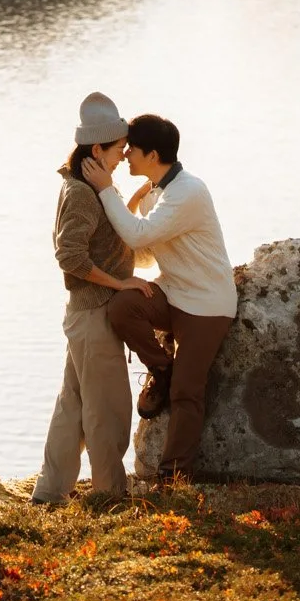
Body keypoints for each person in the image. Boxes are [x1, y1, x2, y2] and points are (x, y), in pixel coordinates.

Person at [81, 113, 237, 485]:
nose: (126, 155)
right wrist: (132, 206)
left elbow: (138, 238)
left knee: (187, 391)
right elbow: (148, 253)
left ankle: (173, 474)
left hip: (207, 305)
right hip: (174, 292)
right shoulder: (156, 192)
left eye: (132, 148)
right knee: (123, 307)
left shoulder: (187, 191)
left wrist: (106, 190)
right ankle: (162, 369)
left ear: (152, 154)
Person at [30, 92, 158, 505]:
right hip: (94, 316)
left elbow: (112, 241)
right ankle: (109, 495)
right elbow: (70, 257)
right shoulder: (84, 194)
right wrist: (120, 285)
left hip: (83, 315)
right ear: (97, 148)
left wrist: (133, 200)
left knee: (73, 406)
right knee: (108, 412)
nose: (124, 155)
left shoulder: (88, 184)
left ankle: (49, 493)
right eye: (119, 148)